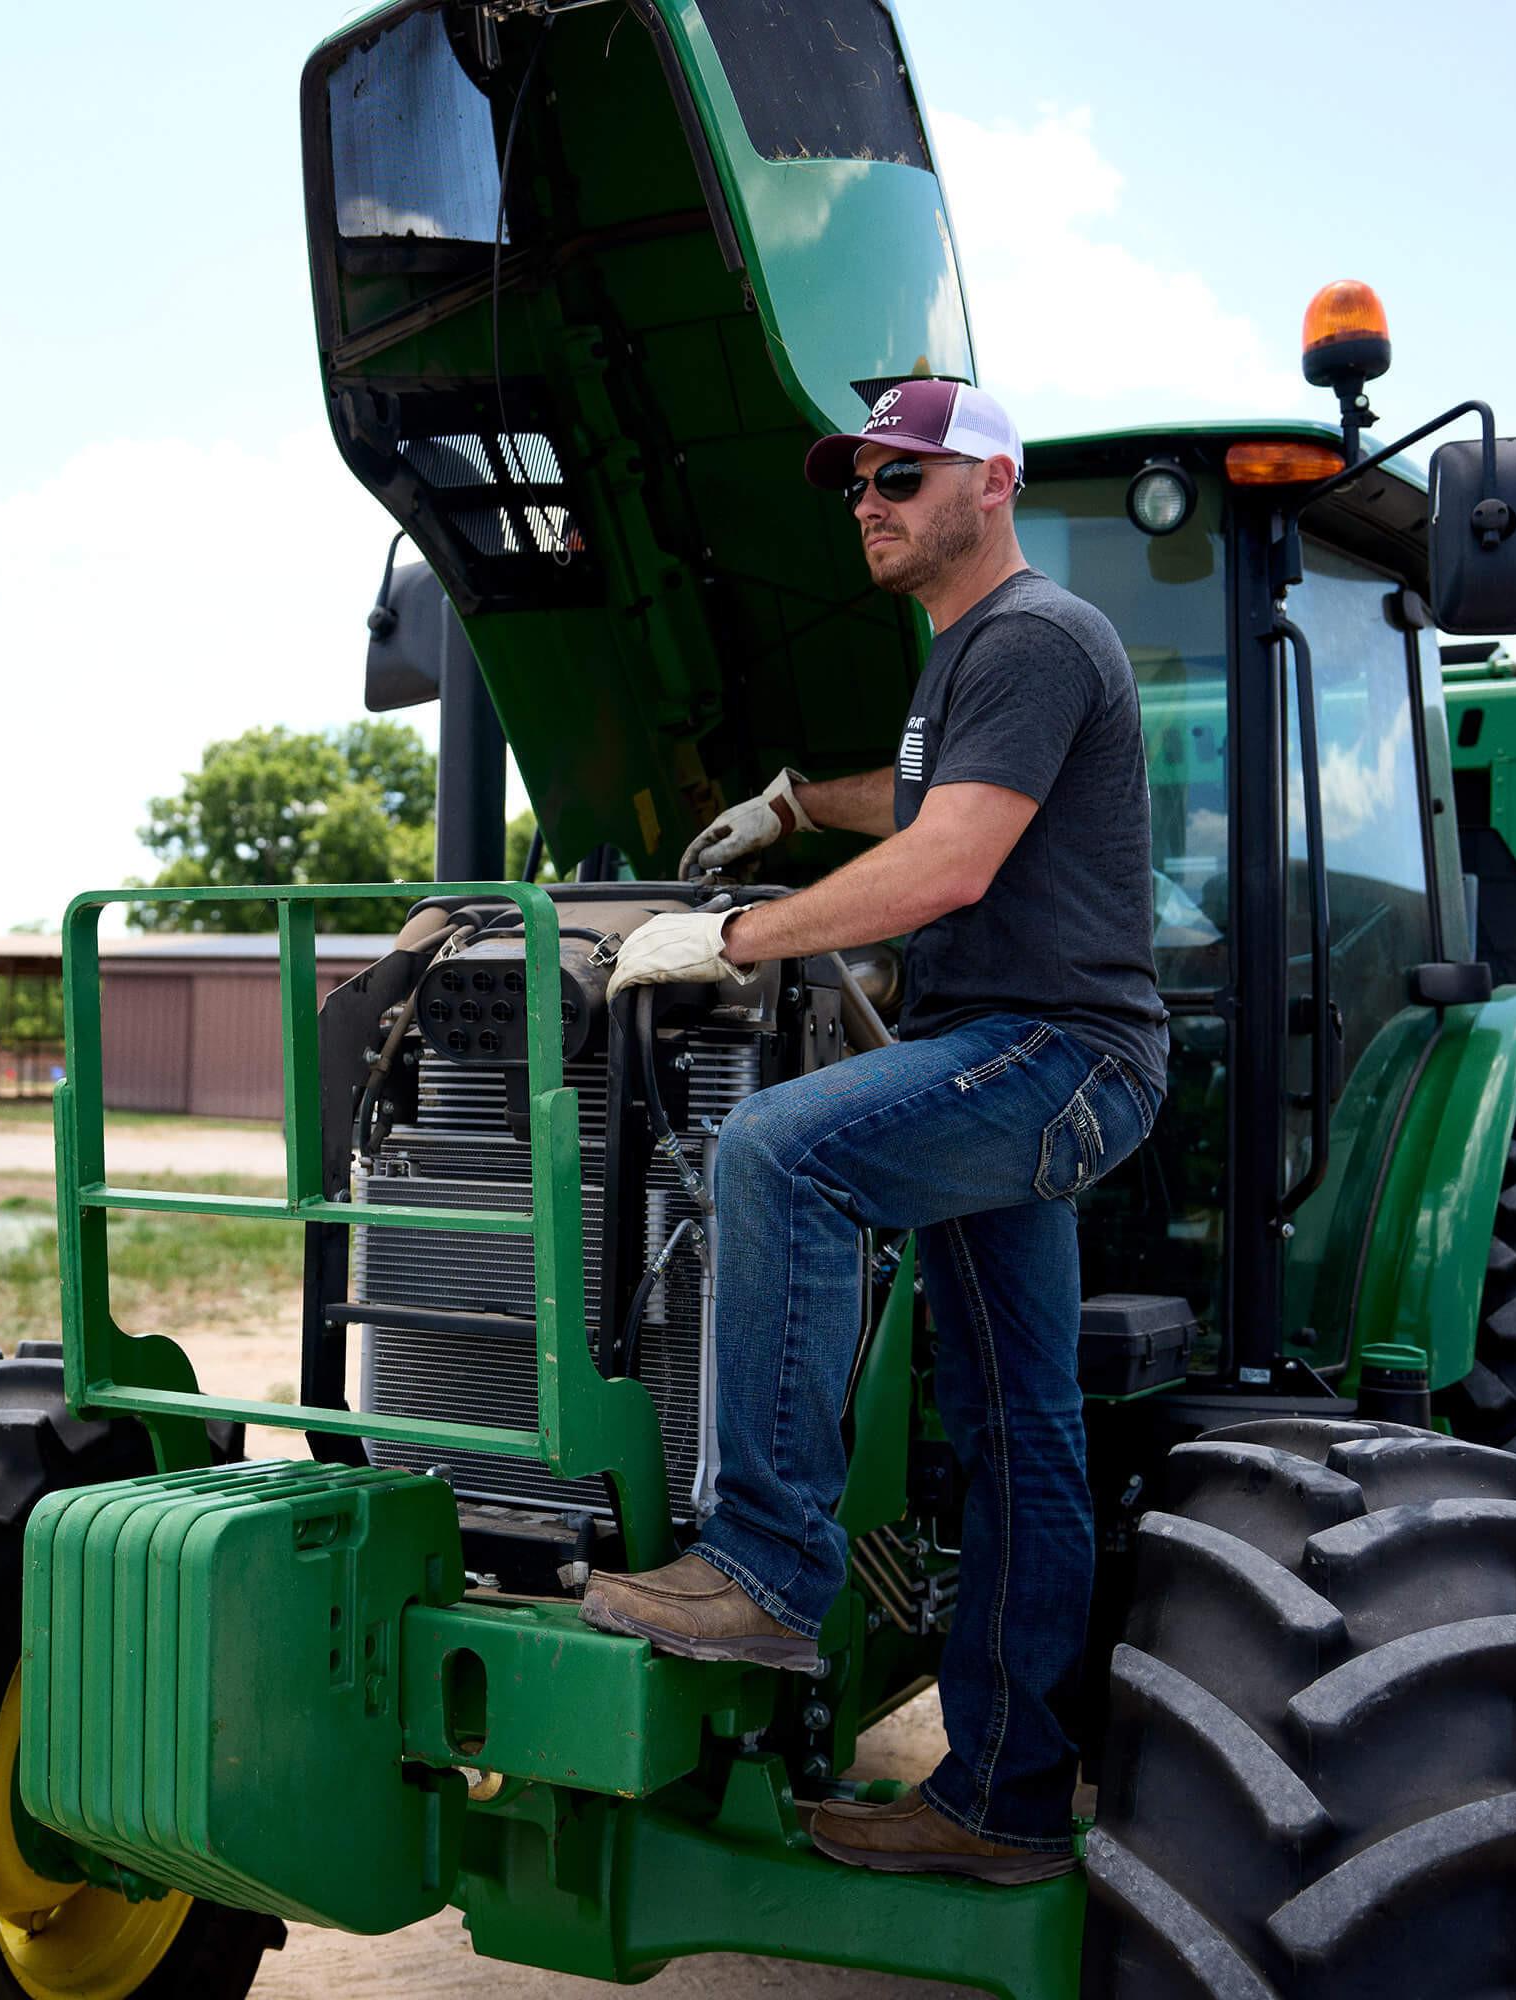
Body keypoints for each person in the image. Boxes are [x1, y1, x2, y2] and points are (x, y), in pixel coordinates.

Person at [579, 380, 1169, 1884]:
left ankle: (764, 1565)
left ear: (996, 483)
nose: (871, 501)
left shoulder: (1032, 634)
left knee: (780, 1149)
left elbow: (951, 865)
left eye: (906, 476)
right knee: (1018, 1429)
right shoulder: (963, 662)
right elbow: (920, 804)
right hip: (1005, 1054)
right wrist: (793, 802)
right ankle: (1005, 1802)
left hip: (1052, 1051)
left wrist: (735, 937)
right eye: (859, 482)